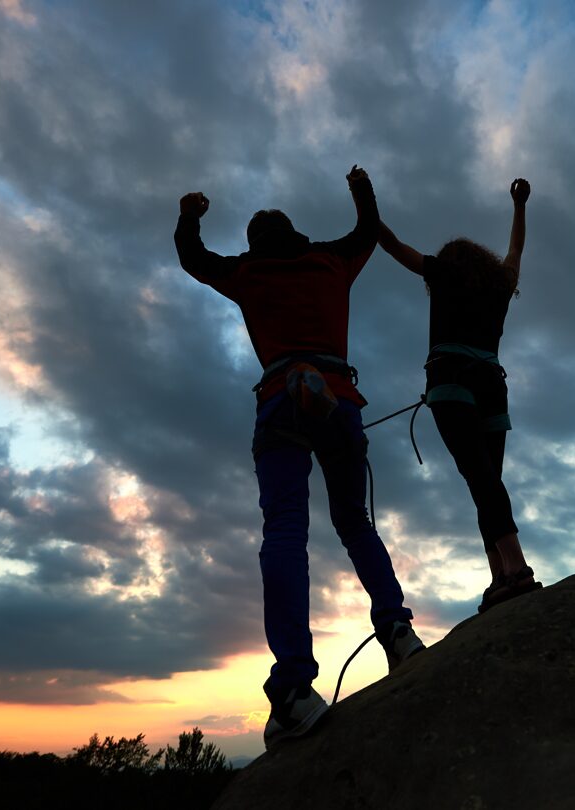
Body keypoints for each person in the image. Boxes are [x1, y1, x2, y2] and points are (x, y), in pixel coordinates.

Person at [174, 166, 424, 749]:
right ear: (295, 231)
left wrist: (189, 215)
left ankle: (293, 691)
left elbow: (193, 258)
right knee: (354, 522)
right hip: (339, 400)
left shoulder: (247, 271)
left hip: (280, 400)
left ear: (254, 242)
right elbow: (367, 230)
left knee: (285, 529)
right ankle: (398, 633)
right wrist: (361, 190)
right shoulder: (331, 260)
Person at [377, 178, 541, 613]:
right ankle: (500, 574)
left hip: (450, 380)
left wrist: (365, 204)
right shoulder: (501, 281)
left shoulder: (443, 272)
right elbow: (516, 249)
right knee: (487, 480)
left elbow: (391, 245)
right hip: (492, 386)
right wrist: (520, 205)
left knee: (480, 479)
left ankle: (516, 569)